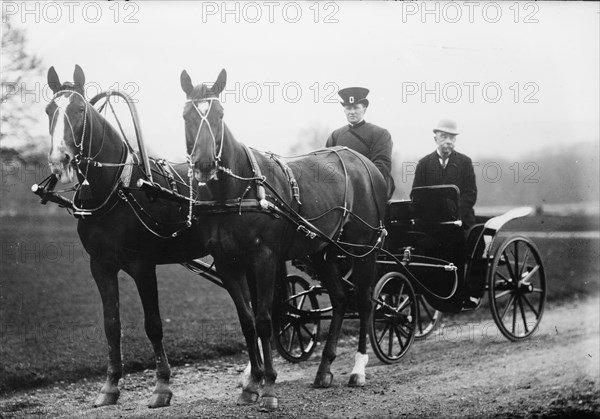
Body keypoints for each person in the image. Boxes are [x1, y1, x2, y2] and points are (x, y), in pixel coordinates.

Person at [325, 87, 395, 199]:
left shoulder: (379, 133)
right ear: (344, 110)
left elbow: (382, 166)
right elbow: (327, 165)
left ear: (364, 109)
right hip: (342, 190)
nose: (352, 112)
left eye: (356, 108)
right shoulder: (336, 135)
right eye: (348, 108)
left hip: (371, 188)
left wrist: (356, 183)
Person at [412, 119, 477, 230]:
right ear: (435, 139)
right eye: (443, 136)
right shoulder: (424, 164)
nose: (448, 141)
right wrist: (433, 215)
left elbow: (470, 194)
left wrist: (454, 213)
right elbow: (416, 195)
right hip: (432, 223)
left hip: (461, 222)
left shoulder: (465, 162)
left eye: (452, 138)